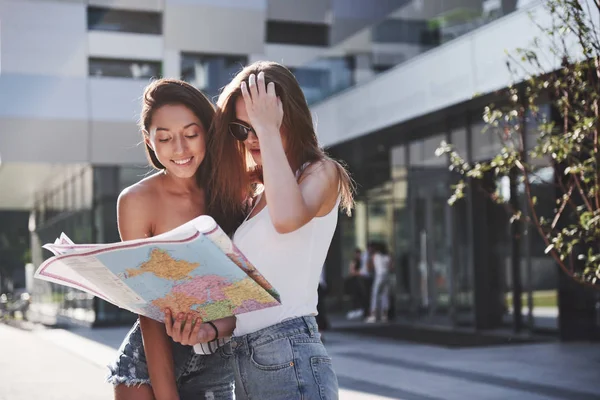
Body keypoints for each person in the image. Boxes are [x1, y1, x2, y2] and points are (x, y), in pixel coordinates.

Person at [165, 61, 354, 399]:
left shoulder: (322, 172)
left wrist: (269, 130)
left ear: (288, 117)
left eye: (260, 123)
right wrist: (206, 330)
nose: (251, 138)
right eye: (242, 128)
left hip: (291, 354)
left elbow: (286, 220)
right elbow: (251, 306)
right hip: (247, 362)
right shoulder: (257, 196)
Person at [106, 78, 246, 400]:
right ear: (149, 140)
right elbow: (148, 312)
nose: (180, 150)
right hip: (148, 368)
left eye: (191, 134)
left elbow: (249, 298)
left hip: (219, 361)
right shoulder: (137, 201)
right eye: (165, 138)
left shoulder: (234, 193)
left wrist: (214, 327)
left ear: (208, 132)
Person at [365, 242, 392, 323]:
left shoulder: (375, 256)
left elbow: (369, 268)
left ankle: (374, 315)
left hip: (379, 275)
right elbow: (391, 266)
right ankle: (384, 315)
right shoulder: (387, 256)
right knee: (384, 295)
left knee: (375, 294)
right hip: (387, 275)